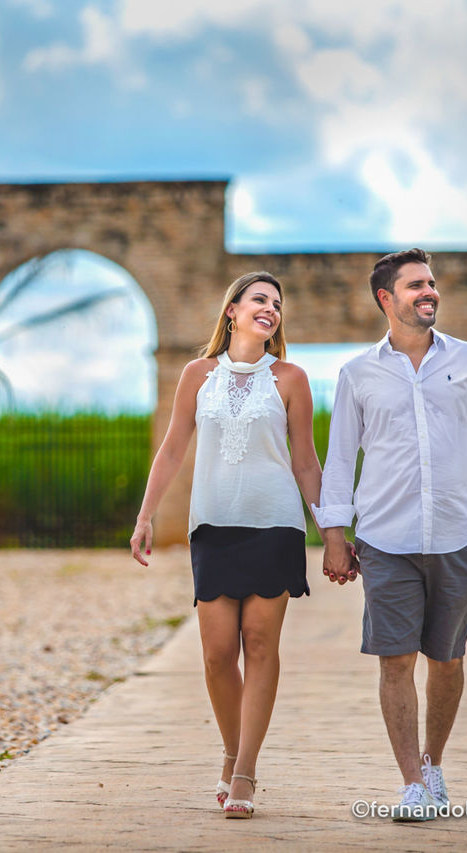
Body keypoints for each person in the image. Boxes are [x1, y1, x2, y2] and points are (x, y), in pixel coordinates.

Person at [130, 271, 346, 819]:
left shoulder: (291, 378)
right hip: (213, 527)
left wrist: (332, 534)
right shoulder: (197, 374)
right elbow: (172, 448)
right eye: (259, 299)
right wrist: (146, 515)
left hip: (275, 526)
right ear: (232, 310)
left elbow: (306, 462)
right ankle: (232, 750)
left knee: (261, 644)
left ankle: (244, 770)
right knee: (217, 654)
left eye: (277, 303)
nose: (270, 308)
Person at [316, 248, 467, 821]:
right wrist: (335, 537)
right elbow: (339, 461)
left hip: (456, 533)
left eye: (431, 283)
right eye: (415, 285)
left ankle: (433, 764)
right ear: (387, 298)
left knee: (447, 660)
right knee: (395, 660)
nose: (429, 292)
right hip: (385, 538)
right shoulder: (357, 373)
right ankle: (411, 784)